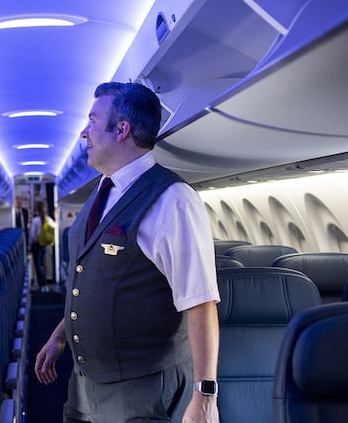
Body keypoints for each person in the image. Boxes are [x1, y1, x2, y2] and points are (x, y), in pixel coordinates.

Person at [34, 82, 220, 423]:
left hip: (140, 389)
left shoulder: (173, 200)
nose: (83, 132)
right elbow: (93, 280)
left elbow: (200, 300)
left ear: (121, 129)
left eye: (92, 121)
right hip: (84, 381)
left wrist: (205, 396)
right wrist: (60, 335)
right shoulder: (103, 191)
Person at [29, 200, 56, 291]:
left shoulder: (35, 220)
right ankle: (45, 285)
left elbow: (32, 235)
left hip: (36, 245)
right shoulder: (48, 219)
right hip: (44, 245)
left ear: (37, 209)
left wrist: (29, 245)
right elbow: (55, 227)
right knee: (43, 265)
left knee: (38, 265)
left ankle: (41, 286)